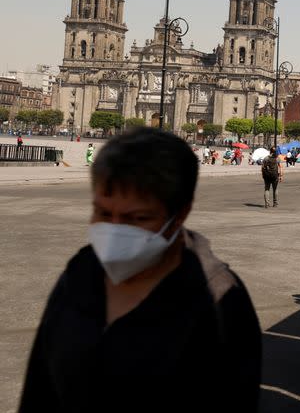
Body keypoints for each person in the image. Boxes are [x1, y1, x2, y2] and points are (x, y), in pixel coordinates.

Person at [18, 127, 261, 412]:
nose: (116, 229)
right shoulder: (81, 272)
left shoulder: (220, 299)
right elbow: (39, 387)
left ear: (180, 213)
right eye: (104, 213)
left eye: (138, 217)